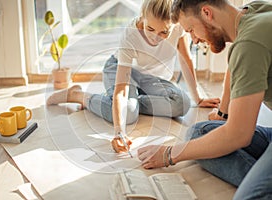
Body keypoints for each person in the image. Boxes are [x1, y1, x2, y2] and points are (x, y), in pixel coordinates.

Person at [137, 0, 272, 199]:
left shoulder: (249, 43)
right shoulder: (256, 11)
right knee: (199, 132)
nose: (195, 40)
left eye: (191, 30)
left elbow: (239, 134)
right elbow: (234, 67)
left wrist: (169, 154)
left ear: (207, 13)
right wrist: (222, 112)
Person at [46, 0, 220, 154]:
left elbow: (185, 58)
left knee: (182, 104)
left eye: (163, 33)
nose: (154, 37)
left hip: (150, 77)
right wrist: (118, 132)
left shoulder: (179, 26)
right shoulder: (130, 35)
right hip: (120, 69)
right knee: (128, 114)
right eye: (150, 28)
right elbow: (121, 89)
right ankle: (78, 95)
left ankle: (133, 101)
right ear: (142, 17)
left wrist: (198, 97)